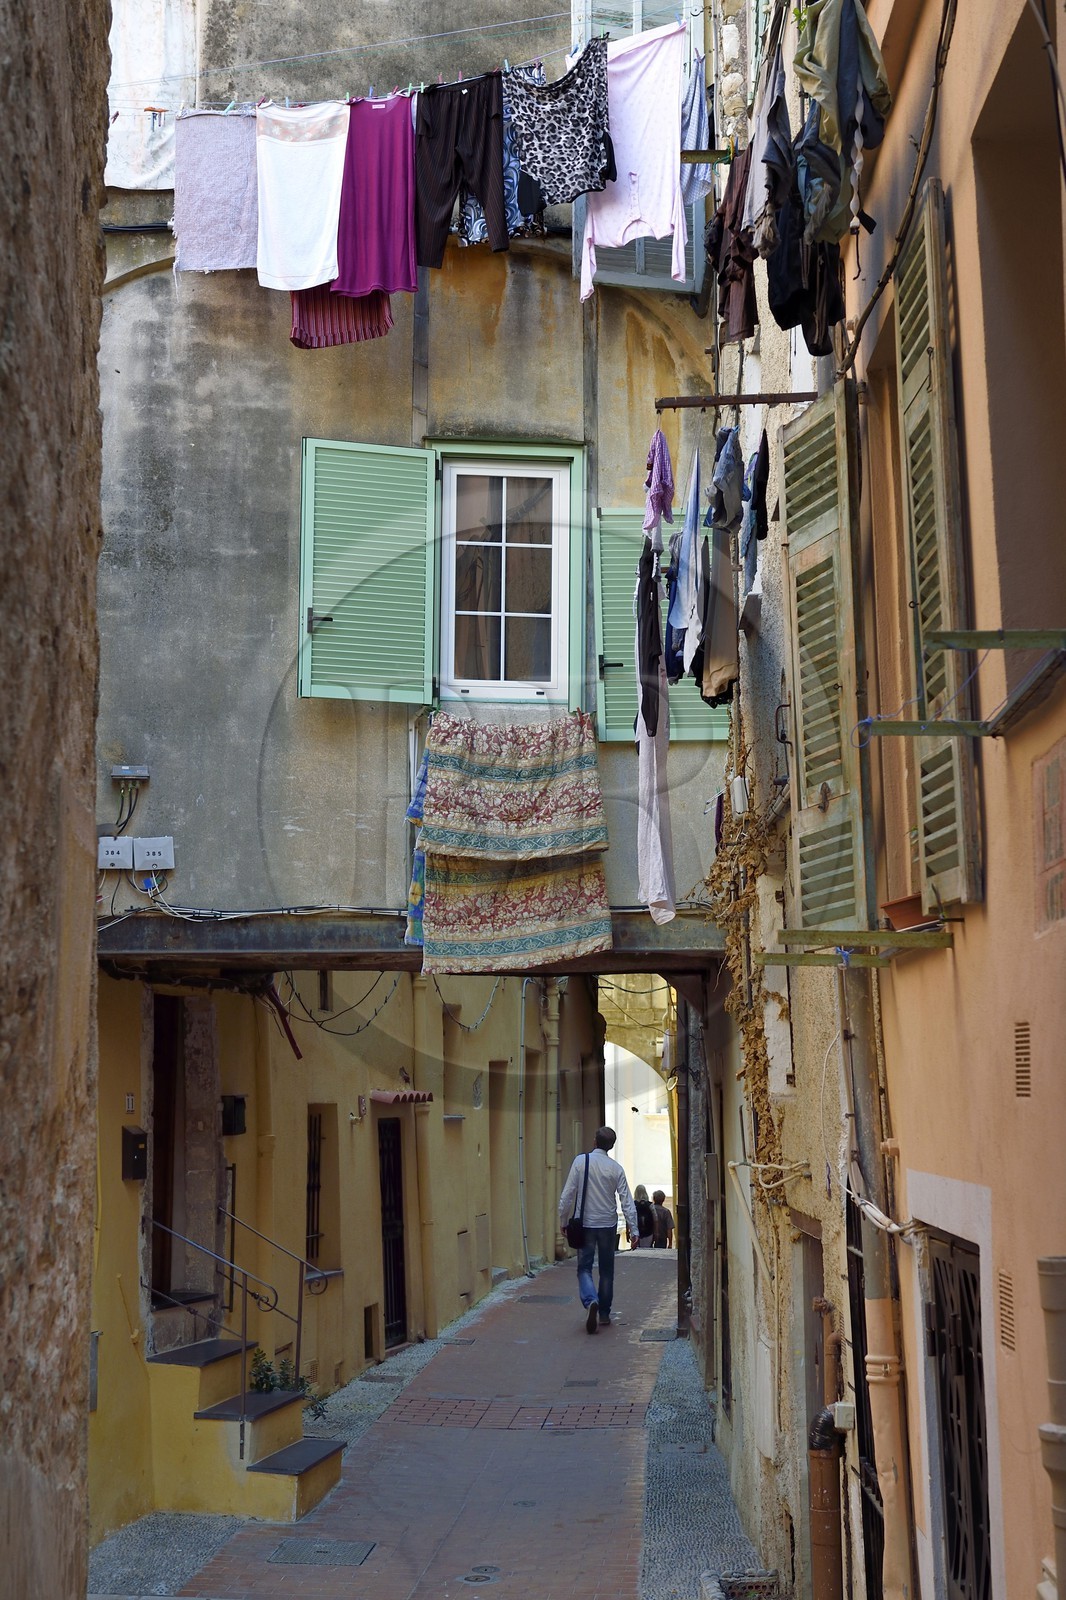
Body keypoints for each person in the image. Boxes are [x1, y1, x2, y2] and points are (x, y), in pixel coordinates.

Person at [559, 1126, 638, 1333]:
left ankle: (590, 1299)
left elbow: (568, 1194)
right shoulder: (616, 1168)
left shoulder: (580, 1162)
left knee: (584, 1268)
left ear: (595, 1141)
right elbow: (626, 1201)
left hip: (584, 1223)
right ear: (611, 1146)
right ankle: (604, 1313)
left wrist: (563, 1219)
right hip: (608, 1224)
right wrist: (634, 1228)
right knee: (606, 1271)